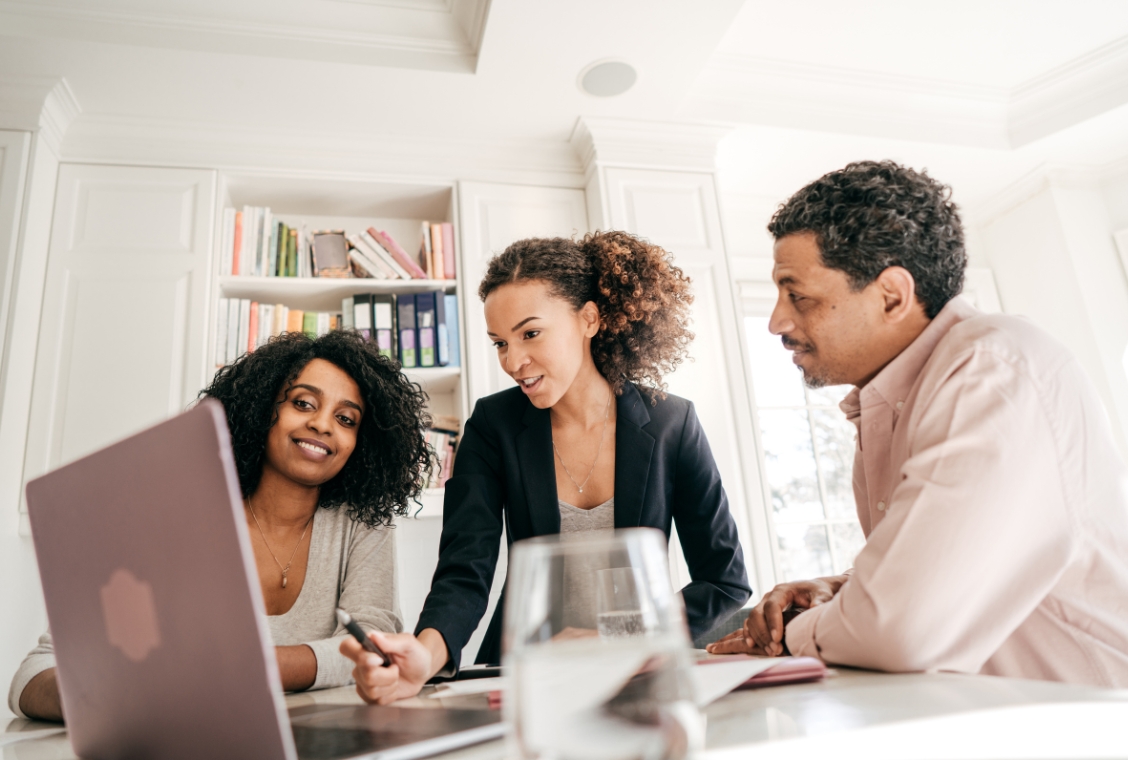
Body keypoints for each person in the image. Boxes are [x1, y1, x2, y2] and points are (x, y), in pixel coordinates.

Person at [707, 160, 1128, 687]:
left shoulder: (992, 371)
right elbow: (965, 565)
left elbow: (898, 629)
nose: (777, 322)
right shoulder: (891, 399)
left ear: (892, 295)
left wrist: (796, 629)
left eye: (798, 295)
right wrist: (842, 588)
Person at [342, 231, 752, 704]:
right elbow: (465, 570)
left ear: (589, 319)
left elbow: (724, 579)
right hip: (526, 677)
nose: (513, 361)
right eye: (500, 343)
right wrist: (426, 655)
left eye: (530, 333)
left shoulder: (670, 423)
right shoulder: (492, 426)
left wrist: (620, 637)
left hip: (639, 676)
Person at [10, 330, 432, 721]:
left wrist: (236, 670)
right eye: (303, 403)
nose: (322, 424)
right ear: (263, 408)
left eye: (346, 419)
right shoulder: (175, 517)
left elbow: (368, 646)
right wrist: (124, 695)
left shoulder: (363, 524)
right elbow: (35, 673)